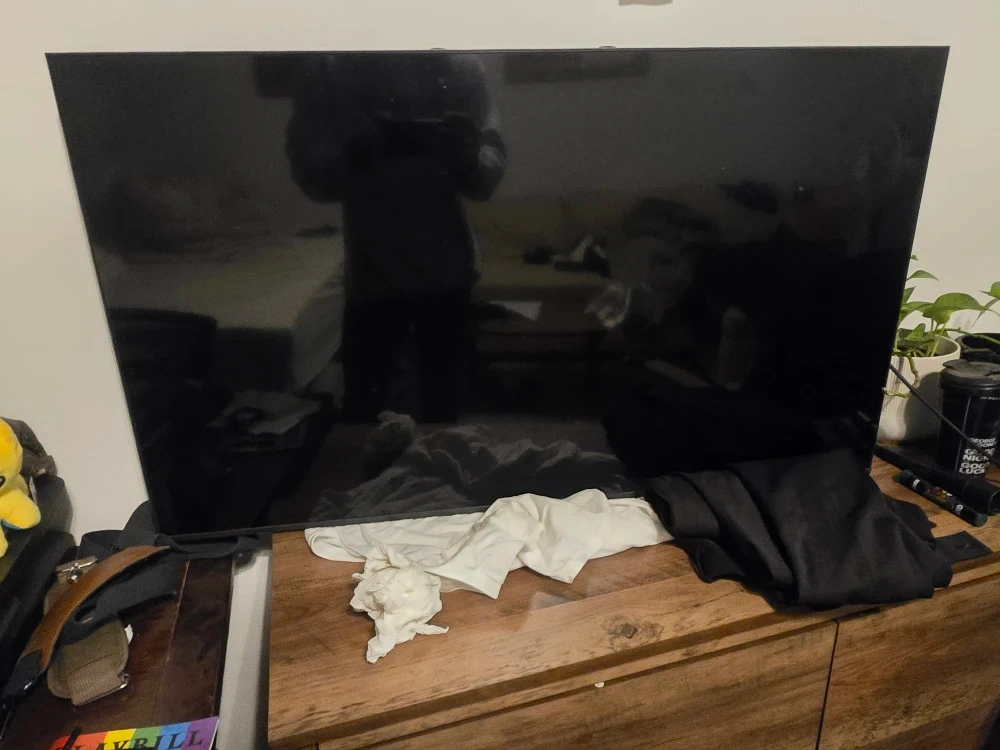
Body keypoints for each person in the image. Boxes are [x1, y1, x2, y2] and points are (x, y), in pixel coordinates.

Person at [284, 53, 506, 422]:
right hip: (386, 273)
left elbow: (486, 177)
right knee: (372, 411)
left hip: (431, 272)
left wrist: (468, 156)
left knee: (433, 412)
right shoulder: (328, 70)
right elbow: (311, 174)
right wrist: (357, 155)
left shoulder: (459, 68)